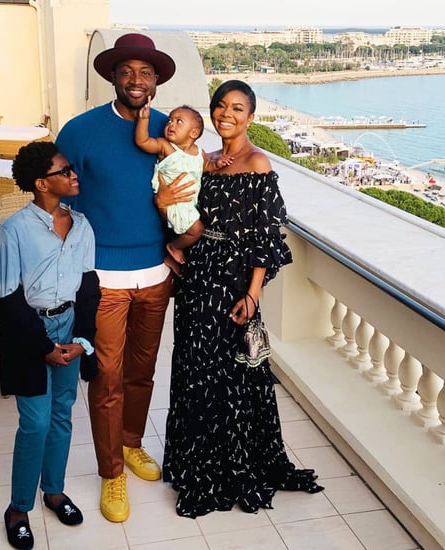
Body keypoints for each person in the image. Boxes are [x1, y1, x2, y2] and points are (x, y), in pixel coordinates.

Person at [156, 80, 324, 518]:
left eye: (236, 108)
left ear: (250, 117)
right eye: (219, 107)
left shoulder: (258, 163)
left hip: (233, 282)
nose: (225, 114)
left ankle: (236, 467)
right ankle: (195, 463)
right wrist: (173, 243)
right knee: (194, 367)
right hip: (197, 277)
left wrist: (252, 293)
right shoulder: (204, 160)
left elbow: (268, 237)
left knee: (232, 374)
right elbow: (182, 210)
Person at [55, 32, 177, 523]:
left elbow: (194, 191)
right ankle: (111, 473)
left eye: (145, 73)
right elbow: (59, 201)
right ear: (112, 76)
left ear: (156, 82)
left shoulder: (174, 129)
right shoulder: (80, 132)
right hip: (102, 277)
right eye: (126, 71)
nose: (136, 79)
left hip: (157, 274)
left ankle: (131, 444)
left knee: (142, 371)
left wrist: (181, 243)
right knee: (106, 378)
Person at [0, 141, 100, 549]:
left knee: (61, 415)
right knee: (34, 422)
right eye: (64, 170)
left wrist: (81, 341)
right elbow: (6, 300)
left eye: (72, 169)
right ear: (41, 183)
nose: (73, 175)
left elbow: (88, 288)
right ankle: (19, 507)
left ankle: (53, 491)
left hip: (69, 327)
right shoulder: (14, 231)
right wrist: (44, 348)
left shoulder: (83, 226)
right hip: (28, 333)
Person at [135, 101, 233, 264]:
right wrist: (143, 120)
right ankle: (174, 247)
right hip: (174, 202)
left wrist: (217, 164)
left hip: (188, 202)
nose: (171, 124)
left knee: (197, 227)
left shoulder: (198, 152)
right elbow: (142, 142)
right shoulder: (165, 146)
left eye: (178, 121)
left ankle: (175, 247)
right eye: (170, 120)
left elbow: (206, 166)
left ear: (193, 132)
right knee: (197, 230)